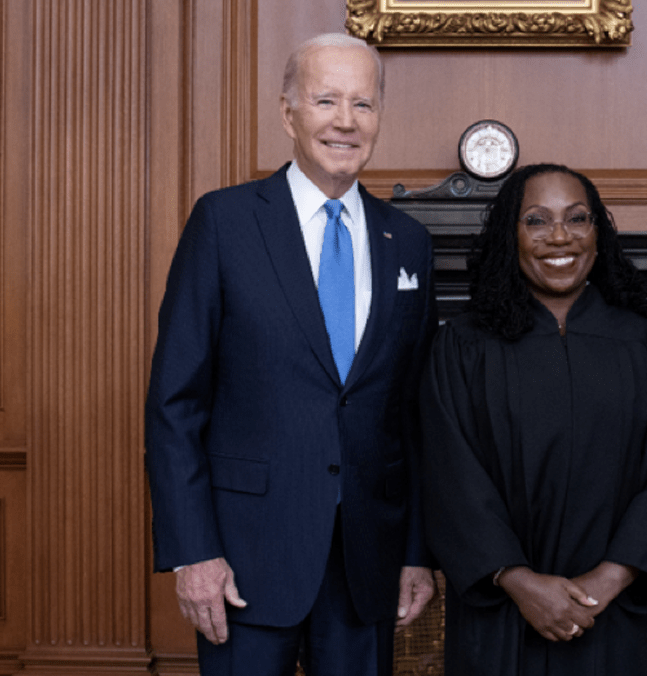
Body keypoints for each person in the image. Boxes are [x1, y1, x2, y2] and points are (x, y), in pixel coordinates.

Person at [145, 33, 436, 676]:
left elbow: (412, 413)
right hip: (245, 557)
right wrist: (194, 552)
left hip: (369, 559)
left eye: (363, 104)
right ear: (288, 114)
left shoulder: (407, 243)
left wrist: (416, 552)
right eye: (326, 100)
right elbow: (175, 404)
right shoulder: (223, 223)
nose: (345, 121)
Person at [420, 164, 647, 675]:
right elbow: (448, 472)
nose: (559, 236)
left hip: (612, 613)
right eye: (536, 220)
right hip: (500, 615)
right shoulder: (464, 346)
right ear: (512, 235)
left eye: (577, 218)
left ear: (599, 233)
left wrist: (608, 581)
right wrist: (518, 581)